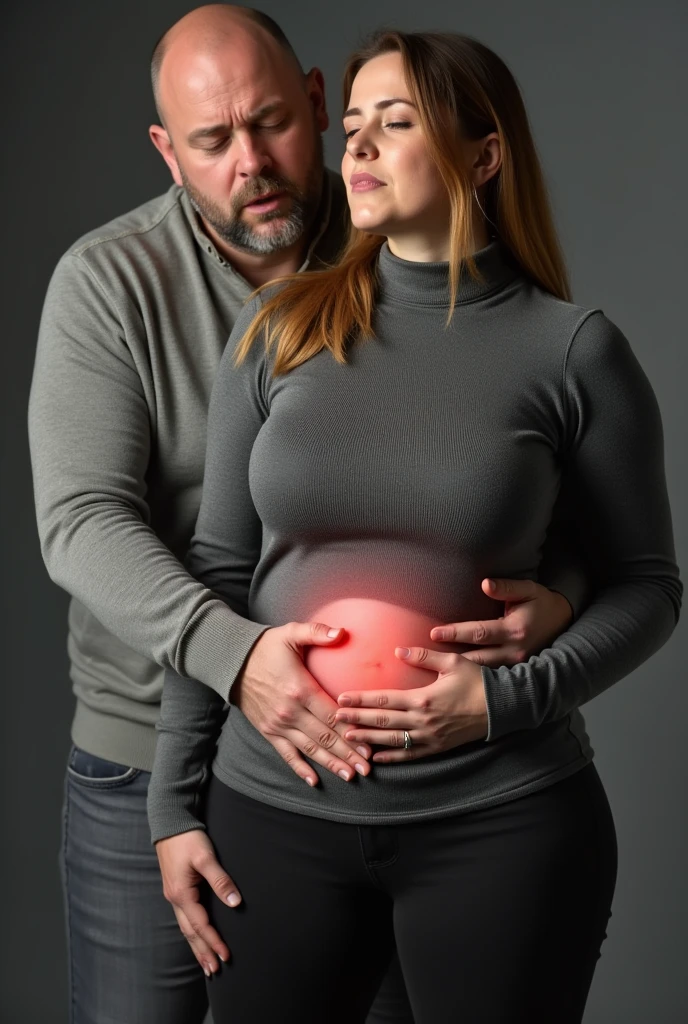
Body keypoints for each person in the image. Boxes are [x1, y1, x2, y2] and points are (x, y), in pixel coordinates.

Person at [29, 6, 588, 1024]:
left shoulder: (406, 236)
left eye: (274, 123)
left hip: (384, 778)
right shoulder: (111, 283)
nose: (252, 161)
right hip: (156, 736)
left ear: (319, 106)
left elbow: (535, 496)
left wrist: (563, 600)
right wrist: (235, 662)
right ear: (167, 151)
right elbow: (83, 520)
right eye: (211, 141)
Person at [146, 26, 682, 1024]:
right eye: (351, 126)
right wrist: (173, 806)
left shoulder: (572, 354)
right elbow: (215, 567)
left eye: (394, 124)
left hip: (500, 825)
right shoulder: (277, 331)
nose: (356, 148)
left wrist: (509, 699)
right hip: (273, 811)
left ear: (483, 156)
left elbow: (649, 586)